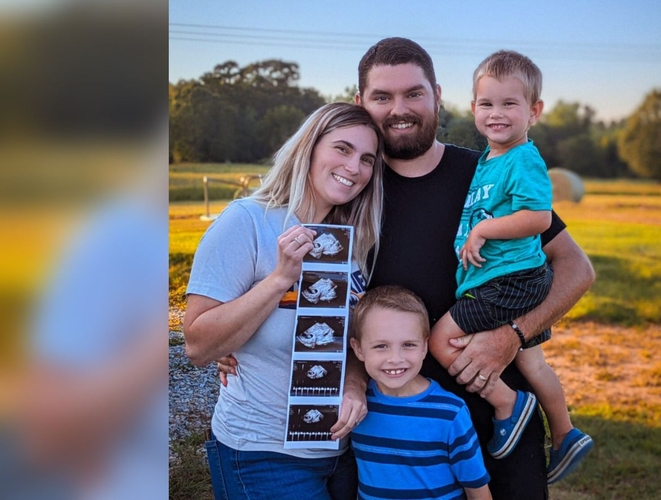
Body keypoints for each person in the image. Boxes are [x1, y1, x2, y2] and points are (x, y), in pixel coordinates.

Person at [219, 37, 595, 499]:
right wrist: (241, 345)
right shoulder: (349, 195)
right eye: (382, 97)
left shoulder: (486, 175)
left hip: (500, 428)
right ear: (361, 104)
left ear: (437, 95)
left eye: (413, 93)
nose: (400, 109)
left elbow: (577, 268)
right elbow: (312, 300)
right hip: (391, 442)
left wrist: (512, 335)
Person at [184, 102, 385, 500]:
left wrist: (357, 382)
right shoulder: (248, 221)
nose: (354, 168)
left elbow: (354, 339)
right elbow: (197, 345)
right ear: (309, 148)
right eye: (342, 149)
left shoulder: (354, 237)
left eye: (367, 159)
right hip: (262, 453)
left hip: (342, 452)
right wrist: (279, 280)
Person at [428, 50, 593, 482]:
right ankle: (565, 433)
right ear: (472, 108)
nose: (496, 113)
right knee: (533, 365)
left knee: (442, 339)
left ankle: (508, 404)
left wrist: (483, 232)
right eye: (487, 104)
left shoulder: (523, 159)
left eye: (509, 104)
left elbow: (538, 218)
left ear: (534, 111)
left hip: (507, 282)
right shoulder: (489, 160)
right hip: (514, 278)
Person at [349, 285, 491, 500]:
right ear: (358, 349)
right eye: (380, 346)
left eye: (408, 345)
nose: (395, 358)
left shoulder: (450, 413)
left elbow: (478, 491)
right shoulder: (357, 406)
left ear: (425, 347)